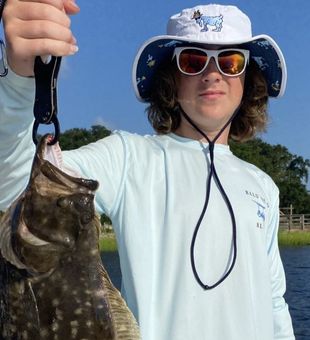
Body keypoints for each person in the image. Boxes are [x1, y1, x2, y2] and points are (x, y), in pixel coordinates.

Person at [0, 1, 295, 339]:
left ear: (247, 80)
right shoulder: (128, 157)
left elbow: (274, 301)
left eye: (230, 61)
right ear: (171, 79)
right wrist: (20, 79)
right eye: (194, 60)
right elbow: (17, 186)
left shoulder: (263, 186)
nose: (212, 73)